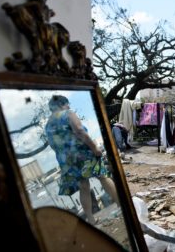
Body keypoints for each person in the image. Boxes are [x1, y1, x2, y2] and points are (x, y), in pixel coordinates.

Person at [45, 95, 119, 225]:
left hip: (68, 161)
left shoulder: (48, 125)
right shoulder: (67, 113)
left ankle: (90, 219)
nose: (69, 106)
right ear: (63, 104)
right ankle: (120, 204)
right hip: (83, 153)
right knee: (102, 176)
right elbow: (79, 130)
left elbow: (53, 145)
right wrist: (94, 147)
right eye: (68, 104)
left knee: (83, 187)